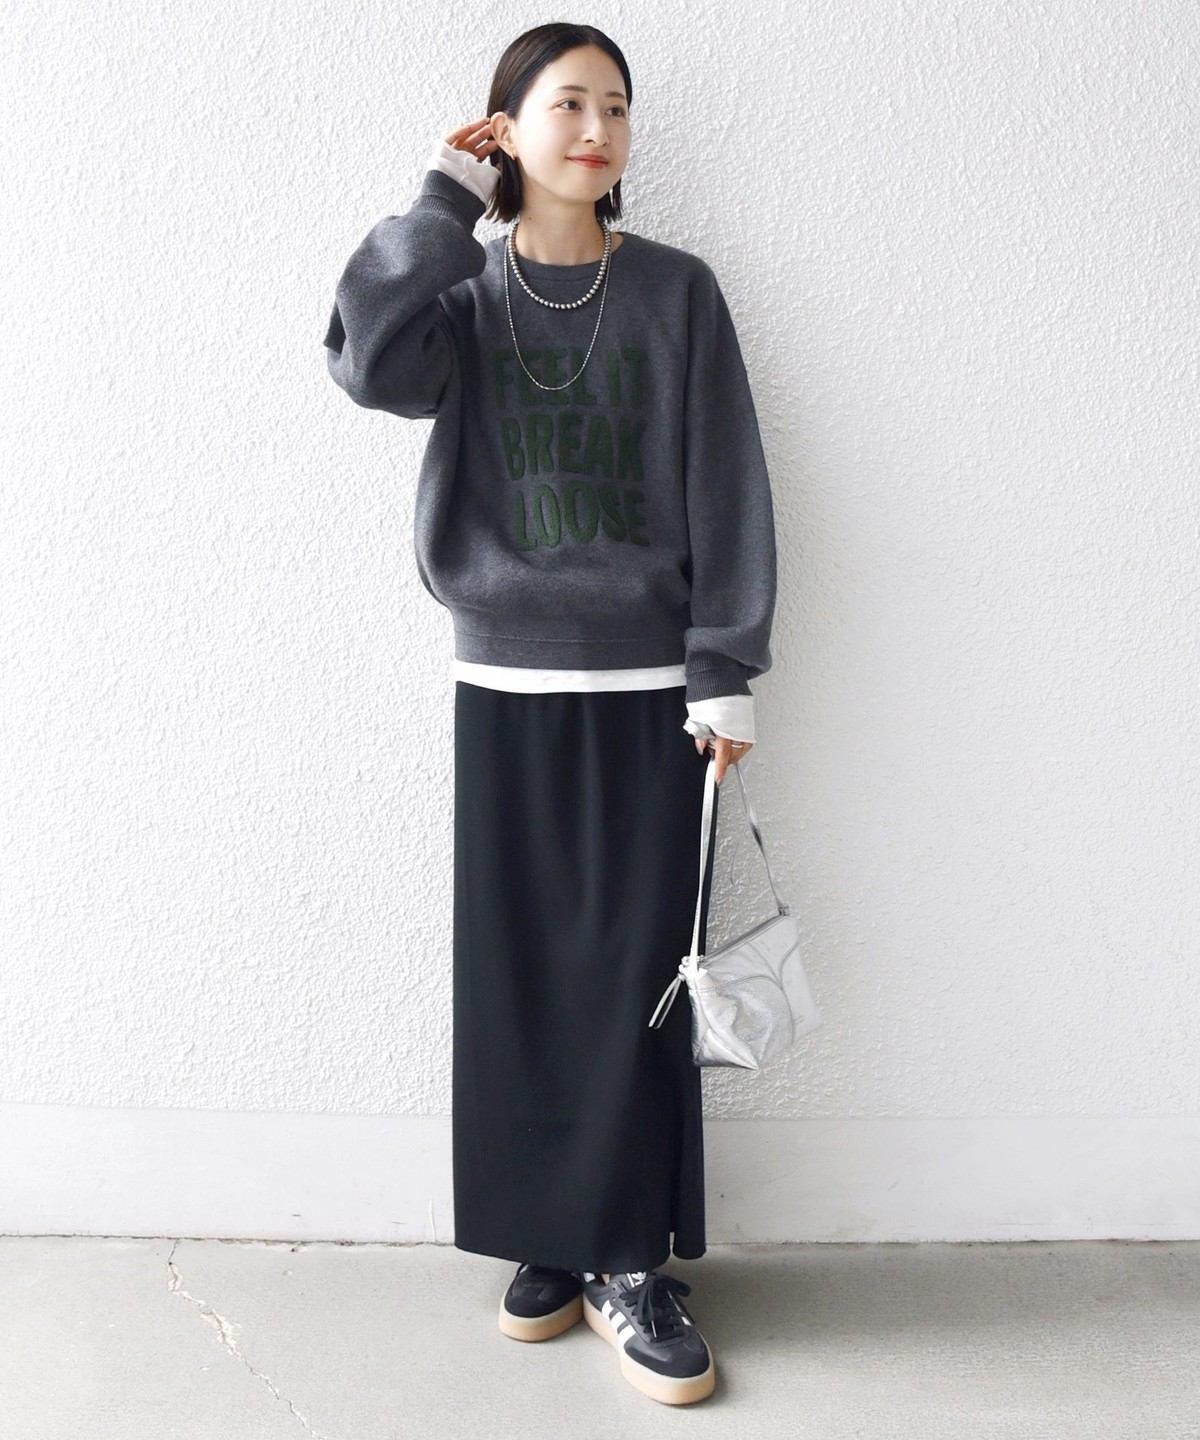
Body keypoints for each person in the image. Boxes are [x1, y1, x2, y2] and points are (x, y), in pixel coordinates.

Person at [322, 22, 777, 1407]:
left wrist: (723, 663)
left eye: (616, 109)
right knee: (519, 977)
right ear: (504, 129)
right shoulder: (459, 296)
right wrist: (441, 204)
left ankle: (629, 1260)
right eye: (567, 104)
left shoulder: (678, 292)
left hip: (651, 691)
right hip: (505, 678)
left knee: (636, 980)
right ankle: (549, 1238)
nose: (596, 130)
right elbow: (364, 361)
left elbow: (727, 481)